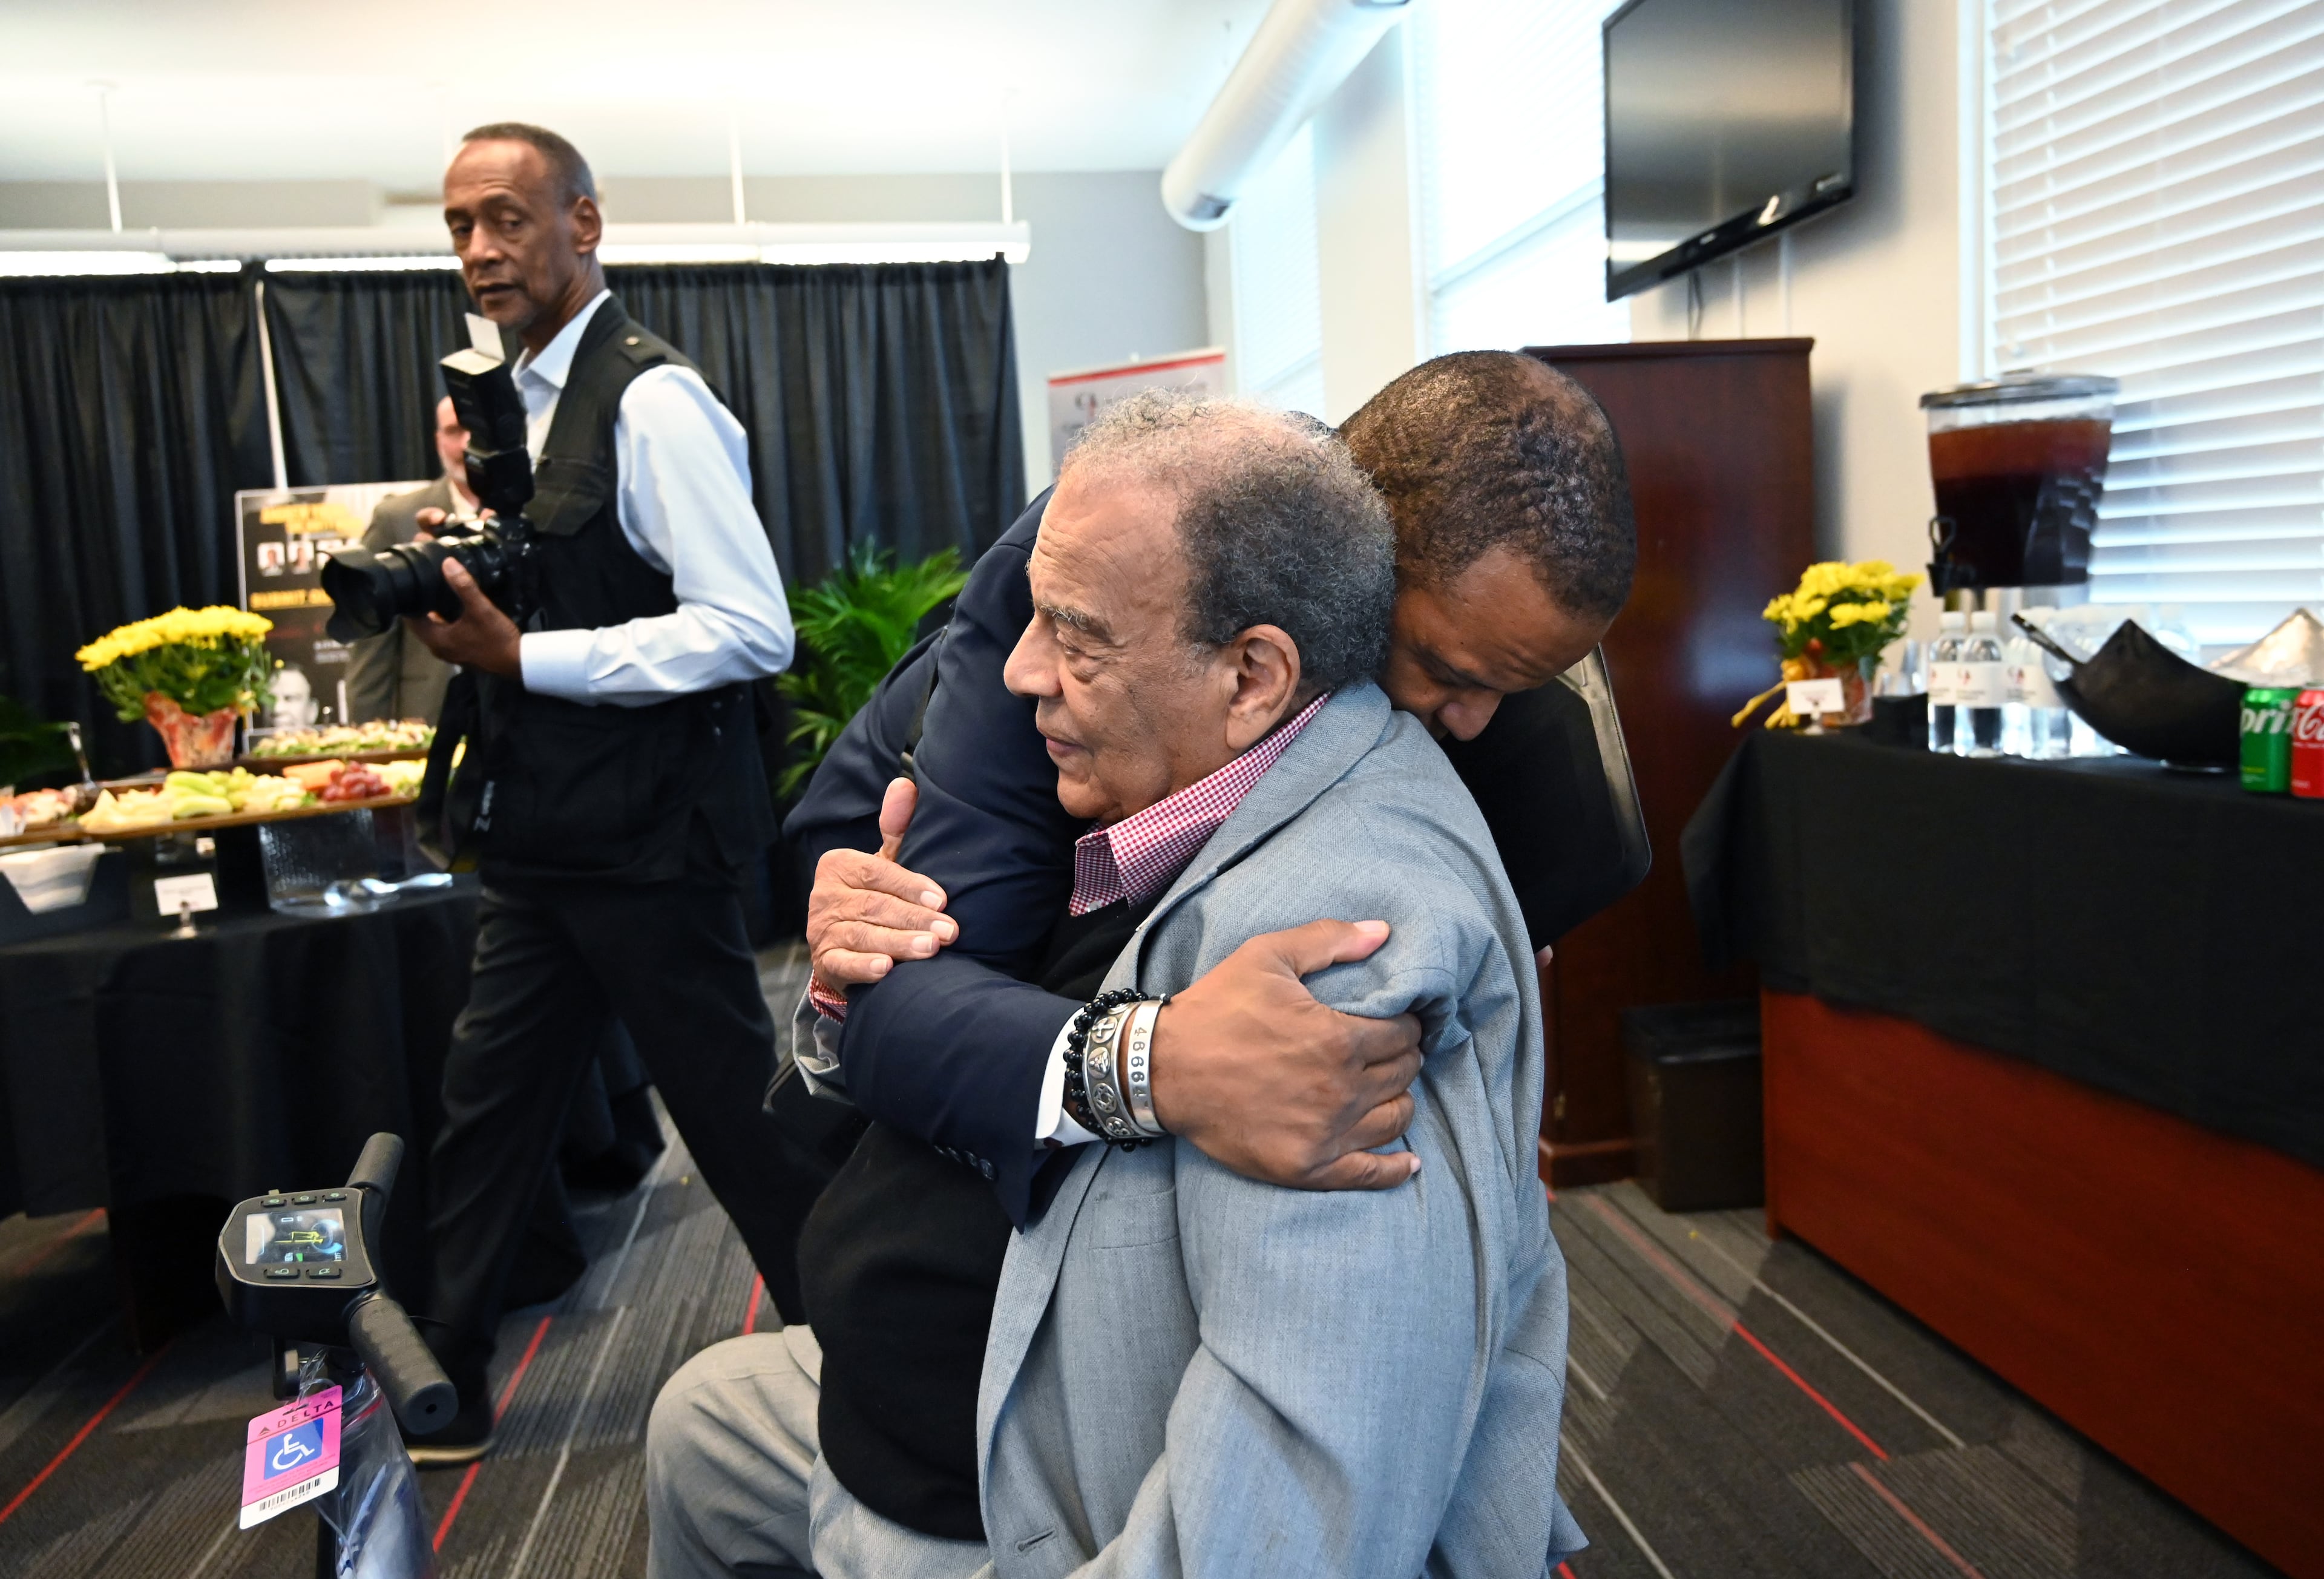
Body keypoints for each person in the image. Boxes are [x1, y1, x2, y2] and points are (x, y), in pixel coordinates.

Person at [648, 394, 1584, 1577]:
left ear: (1256, 672)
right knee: (695, 1423)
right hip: (920, 1388)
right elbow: (899, 994)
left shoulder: (1343, 952)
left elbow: (1285, 1521)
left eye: (1076, 638)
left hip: (1031, 1491)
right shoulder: (1136, 704)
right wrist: (1125, 1052)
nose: (1021, 670)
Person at [788, 351, 1634, 1226]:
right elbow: (912, 1015)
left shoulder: (1494, 670)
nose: (1474, 723)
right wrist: (1158, 1062)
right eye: (1445, 672)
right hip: (881, 826)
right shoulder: (1099, 566)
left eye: (1513, 687)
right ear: (1352, 553)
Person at [402, 121, 826, 1465]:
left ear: (583, 224)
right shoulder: (511, 407)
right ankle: (447, 1368)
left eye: (508, 217)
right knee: (487, 1103)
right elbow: (575, 580)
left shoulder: (654, 400)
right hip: (541, 832)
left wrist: (525, 655)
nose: (480, 248)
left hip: (650, 841)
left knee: (733, 1113)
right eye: (460, 224)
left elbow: (751, 627)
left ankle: (861, 1343)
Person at [343, 396, 475, 726]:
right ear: (438, 440)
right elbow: (373, 637)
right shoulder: (397, 518)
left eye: (475, 428)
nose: (466, 443)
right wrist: (368, 734)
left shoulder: (535, 510)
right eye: (454, 431)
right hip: (428, 716)